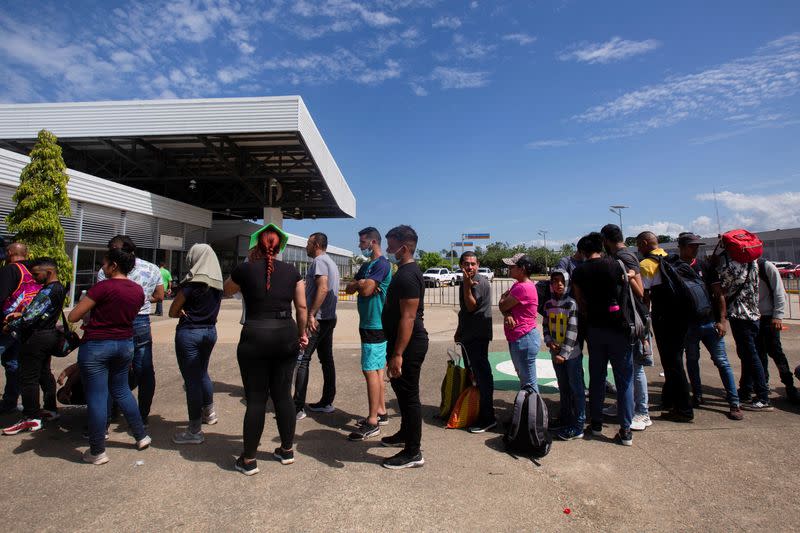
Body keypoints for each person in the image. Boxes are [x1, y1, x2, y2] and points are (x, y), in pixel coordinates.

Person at [224, 224, 308, 475]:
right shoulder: (292, 271)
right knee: (283, 395)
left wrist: (248, 265)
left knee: (256, 398)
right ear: (280, 245)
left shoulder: (245, 269)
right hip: (285, 334)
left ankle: (249, 459)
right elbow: (302, 308)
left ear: (256, 245)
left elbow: (227, 290)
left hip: (255, 336)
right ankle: (286, 450)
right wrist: (302, 334)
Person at [68, 247, 151, 465]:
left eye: (104, 264)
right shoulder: (137, 290)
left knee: (96, 396)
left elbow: (75, 315)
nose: (102, 268)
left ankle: (97, 450)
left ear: (113, 265)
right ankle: (141, 435)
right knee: (122, 390)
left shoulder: (102, 288)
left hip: (97, 344)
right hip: (124, 344)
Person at [571, 232, 634, 446]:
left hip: (595, 329)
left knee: (597, 377)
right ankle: (626, 430)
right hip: (619, 327)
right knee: (624, 380)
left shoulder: (579, 272)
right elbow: (626, 288)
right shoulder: (615, 265)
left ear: (583, 251)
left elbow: (580, 303)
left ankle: (596, 424)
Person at [97, 236, 164, 425]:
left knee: (111, 370)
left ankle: (107, 418)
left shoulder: (108, 268)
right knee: (145, 370)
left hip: (114, 321)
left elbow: (98, 297)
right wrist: (140, 299)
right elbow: (159, 296)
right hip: (141, 320)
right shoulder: (152, 268)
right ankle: (142, 416)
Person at [678, 233, 743, 421]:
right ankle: (697, 395)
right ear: (682, 247)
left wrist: (722, 320)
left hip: (709, 322)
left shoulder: (705, 266)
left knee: (722, 361)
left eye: (697, 246)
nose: (695, 249)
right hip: (688, 325)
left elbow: (719, 294)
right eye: (692, 246)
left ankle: (734, 402)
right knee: (692, 361)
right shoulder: (674, 268)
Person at [380, 225, 428, 469]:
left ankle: (413, 452)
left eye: (391, 245)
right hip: (400, 342)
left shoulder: (408, 275)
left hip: (409, 345)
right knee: (401, 391)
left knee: (409, 397)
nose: (388, 249)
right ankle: (404, 435)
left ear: (404, 247)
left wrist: (398, 353)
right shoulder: (403, 271)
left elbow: (408, 318)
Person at [2, 258, 65, 435]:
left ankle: (31, 417)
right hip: (48, 336)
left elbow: (30, 318)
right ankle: (50, 409)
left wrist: (10, 325)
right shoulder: (59, 288)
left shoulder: (49, 290)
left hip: (36, 339)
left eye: (37, 274)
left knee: (28, 377)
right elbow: (38, 312)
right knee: (44, 373)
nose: (34, 278)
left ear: (49, 272)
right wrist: (22, 313)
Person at [169, 244, 223, 444]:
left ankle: (194, 431)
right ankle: (209, 413)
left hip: (189, 333)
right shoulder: (218, 285)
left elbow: (173, 311)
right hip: (210, 332)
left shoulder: (191, 284)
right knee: (202, 374)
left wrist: (182, 311)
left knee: (191, 381)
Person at [638, 231, 693, 422]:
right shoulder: (671, 259)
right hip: (682, 318)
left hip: (665, 319)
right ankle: (669, 400)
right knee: (675, 361)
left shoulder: (646, 264)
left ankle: (684, 409)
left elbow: (643, 296)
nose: (638, 249)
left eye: (639, 245)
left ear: (645, 243)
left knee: (673, 365)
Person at [713, 236, 772, 411]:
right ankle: (745, 390)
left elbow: (722, 288)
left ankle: (763, 396)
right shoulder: (752, 262)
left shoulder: (731, 266)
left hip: (741, 316)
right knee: (748, 355)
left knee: (751, 356)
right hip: (754, 314)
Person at [601, 224, 650, 431]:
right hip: (627, 319)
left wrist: (627, 278)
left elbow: (640, 292)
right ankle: (623, 403)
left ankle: (642, 412)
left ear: (606, 240)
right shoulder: (627, 255)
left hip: (633, 320)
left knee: (635, 368)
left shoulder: (625, 258)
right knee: (625, 366)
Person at [345, 227, 392, 441]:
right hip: (367, 324)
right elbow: (349, 288)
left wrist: (362, 285)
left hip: (376, 325)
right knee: (376, 371)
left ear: (373, 242)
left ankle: (372, 421)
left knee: (371, 371)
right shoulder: (366, 266)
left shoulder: (382, 264)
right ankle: (381, 411)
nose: (359, 245)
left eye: (362, 242)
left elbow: (364, 290)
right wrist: (360, 283)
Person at [294, 232, 340, 418]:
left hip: (318, 319)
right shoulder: (330, 262)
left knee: (302, 360)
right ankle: (327, 401)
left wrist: (311, 314)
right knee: (326, 360)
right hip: (329, 318)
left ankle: (297, 408)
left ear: (317, 245)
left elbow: (323, 287)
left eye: (308, 243)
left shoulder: (319, 262)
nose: (306, 246)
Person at [454, 251, 495, 434]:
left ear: (478, 265)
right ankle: (474, 411)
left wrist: (467, 287)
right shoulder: (467, 281)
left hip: (477, 336)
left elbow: (471, 306)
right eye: (466, 264)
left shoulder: (476, 282)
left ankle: (488, 417)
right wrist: (459, 330)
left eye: (472, 264)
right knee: (474, 375)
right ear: (461, 265)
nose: (469, 267)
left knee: (482, 376)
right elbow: (465, 311)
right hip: (468, 334)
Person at [543, 269, 585, 441]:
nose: (558, 284)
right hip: (555, 353)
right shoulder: (548, 305)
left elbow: (573, 330)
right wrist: (548, 341)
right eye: (555, 281)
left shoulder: (571, 304)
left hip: (571, 355)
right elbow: (545, 325)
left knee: (576, 389)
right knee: (563, 388)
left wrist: (565, 353)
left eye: (562, 281)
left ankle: (578, 424)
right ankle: (565, 418)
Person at [0, 243, 41, 414]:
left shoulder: (11, 270)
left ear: (9, 253)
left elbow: (1, 296)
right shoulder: (35, 270)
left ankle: (9, 402)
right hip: (25, 326)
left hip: (5, 325)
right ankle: (10, 402)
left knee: (12, 362)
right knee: (13, 364)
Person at [756, 257, 798, 404]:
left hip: (769, 317)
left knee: (776, 352)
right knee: (759, 354)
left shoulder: (765, 266)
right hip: (753, 318)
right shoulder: (742, 267)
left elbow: (780, 292)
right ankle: (763, 385)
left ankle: (789, 385)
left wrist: (778, 316)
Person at [499, 253, 539, 391]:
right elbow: (505, 307)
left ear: (522, 269)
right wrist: (508, 313)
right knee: (525, 379)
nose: (509, 268)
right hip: (519, 338)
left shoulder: (523, 287)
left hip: (524, 338)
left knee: (529, 382)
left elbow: (502, 304)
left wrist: (504, 306)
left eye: (512, 266)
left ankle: (533, 411)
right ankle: (528, 408)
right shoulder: (518, 284)